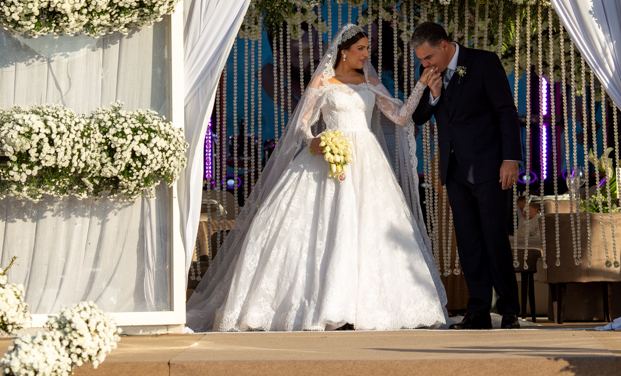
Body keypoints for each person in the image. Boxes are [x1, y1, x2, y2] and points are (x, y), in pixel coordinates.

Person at [186, 23, 448, 333]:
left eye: (367, 48)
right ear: (343, 52)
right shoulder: (323, 81)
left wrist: (421, 86)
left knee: (368, 229)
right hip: (328, 157)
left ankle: (361, 306)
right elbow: (302, 123)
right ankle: (321, 306)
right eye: (360, 49)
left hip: (366, 161)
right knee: (322, 229)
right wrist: (314, 142)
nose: (366, 54)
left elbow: (401, 116)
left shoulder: (370, 81)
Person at [411, 20, 521, 329]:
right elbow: (418, 116)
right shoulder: (429, 73)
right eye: (421, 59)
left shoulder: (483, 62)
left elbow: (505, 111)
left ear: (444, 46)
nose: (425, 64)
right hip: (454, 170)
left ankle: (509, 309)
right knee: (469, 241)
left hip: (490, 168)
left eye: (428, 57)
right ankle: (478, 312)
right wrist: (432, 93)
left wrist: (510, 158)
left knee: (495, 238)